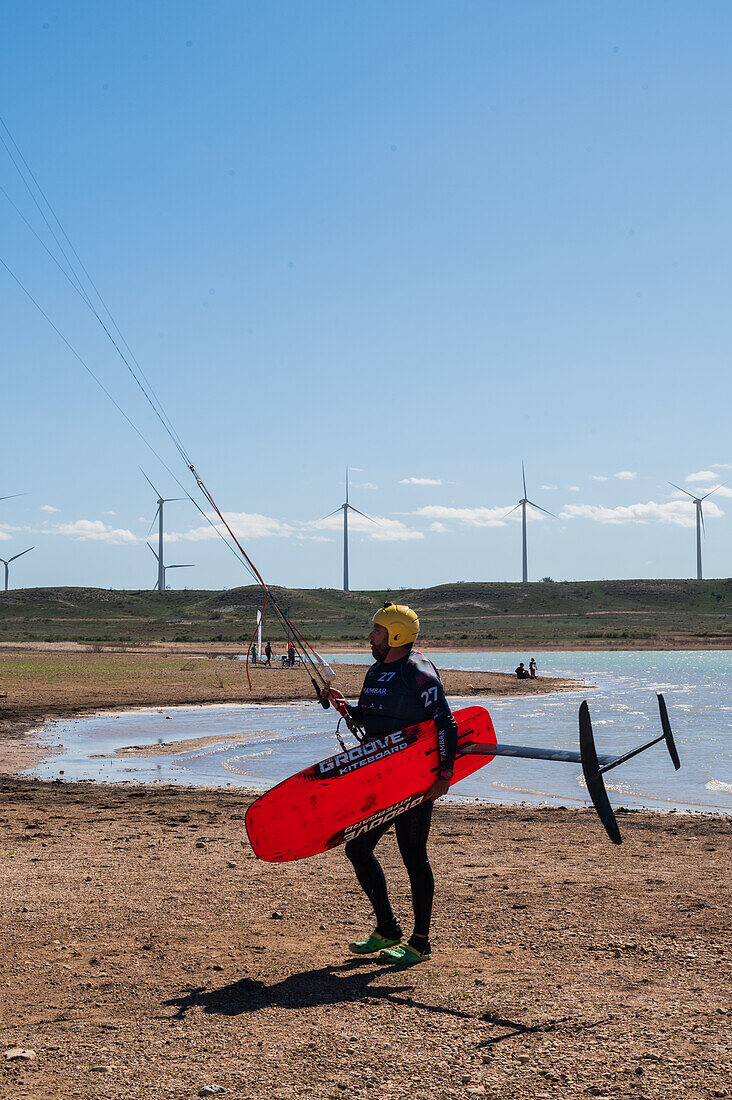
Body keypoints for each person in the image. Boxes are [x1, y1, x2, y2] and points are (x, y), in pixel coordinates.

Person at [325, 601, 458, 967]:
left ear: (396, 635)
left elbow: (446, 724)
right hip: (380, 778)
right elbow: (371, 718)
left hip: (415, 780)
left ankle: (420, 943)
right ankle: (387, 928)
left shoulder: (417, 672)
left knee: (413, 856)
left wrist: (443, 775)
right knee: (357, 848)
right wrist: (345, 708)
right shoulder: (376, 671)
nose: (370, 636)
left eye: (377, 631)